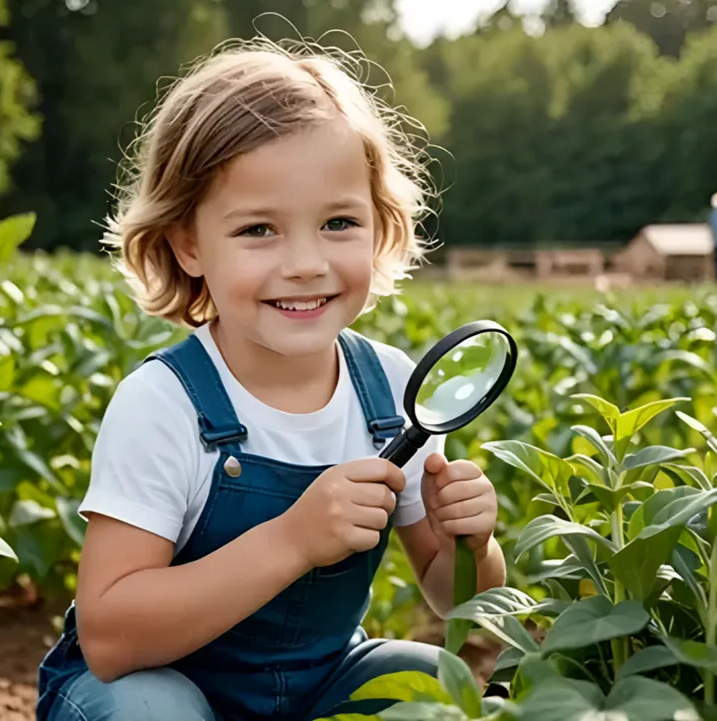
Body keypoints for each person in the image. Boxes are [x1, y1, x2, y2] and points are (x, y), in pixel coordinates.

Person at [36, 37, 506, 721]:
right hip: (146, 682)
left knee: (430, 680)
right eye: (260, 229)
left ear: (380, 227)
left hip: (316, 685)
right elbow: (110, 637)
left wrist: (471, 542)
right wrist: (291, 540)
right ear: (188, 244)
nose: (307, 263)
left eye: (338, 222)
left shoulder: (392, 395)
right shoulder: (165, 403)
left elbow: (454, 600)